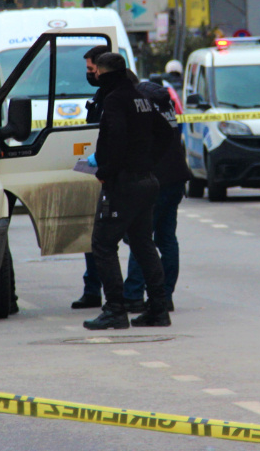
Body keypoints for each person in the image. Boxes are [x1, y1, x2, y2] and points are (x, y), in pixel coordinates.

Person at [84, 53, 175, 330]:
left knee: (102, 244)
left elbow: (117, 137)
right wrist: (147, 162)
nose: (94, 75)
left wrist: (107, 171)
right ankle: (158, 309)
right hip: (145, 181)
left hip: (123, 184)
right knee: (143, 244)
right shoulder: (140, 97)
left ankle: (115, 310)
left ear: (103, 71)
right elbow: (165, 133)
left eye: (96, 70)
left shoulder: (114, 100)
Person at [122, 80, 192, 312]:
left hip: (154, 180)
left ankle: (133, 295)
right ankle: (164, 295)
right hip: (175, 178)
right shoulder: (164, 104)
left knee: (141, 239)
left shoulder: (141, 106)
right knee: (167, 239)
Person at [72, 45, 112, 311]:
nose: (88, 73)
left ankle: (125, 295)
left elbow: (113, 139)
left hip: (116, 178)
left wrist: (101, 165)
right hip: (104, 174)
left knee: (106, 240)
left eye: (90, 69)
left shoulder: (114, 97)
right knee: (95, 237)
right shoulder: (101, 95)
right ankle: (93, 290)